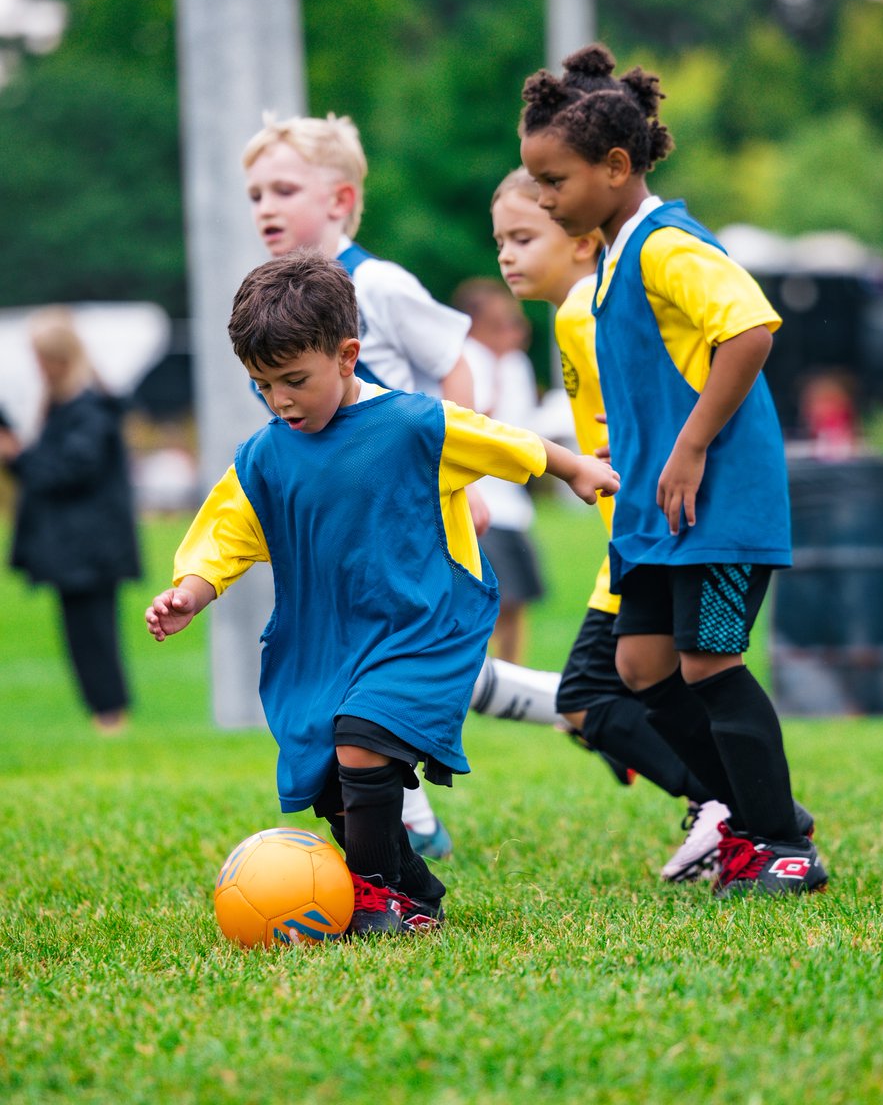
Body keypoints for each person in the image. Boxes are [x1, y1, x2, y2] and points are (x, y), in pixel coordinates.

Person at [145, 251, 619, 936]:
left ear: (347, 356)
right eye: (262, 385)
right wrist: (191, 591)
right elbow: (229, 531)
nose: (280, 400)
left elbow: (499, 441)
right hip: (323, 641)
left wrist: (574, 468)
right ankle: (411, 890)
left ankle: (371, 896)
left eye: (293, 381)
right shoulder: (265, 455)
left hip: (419, 626)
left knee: (362, 741)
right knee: (332, 786)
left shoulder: (413, 425)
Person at [518, 43, 827, 897]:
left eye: (554, 182)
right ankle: (756, 815)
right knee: (641, 668)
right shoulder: (614, 257)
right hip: (657, 515)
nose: (543, 200)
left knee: (709, 665)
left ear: (616, 167)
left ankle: (779, 844)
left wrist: (689, 445)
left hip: (718, 504)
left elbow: (750, 332)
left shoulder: (666, 244)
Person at [241, 112, 483, 860]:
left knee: (392, 668)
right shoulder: (277, 305)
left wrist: (461, 474)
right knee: (346, 674)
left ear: (341, 201)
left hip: (404, 527)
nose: (266, 209)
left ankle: (571, 710)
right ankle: (400, 815)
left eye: (284, 188)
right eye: (254, 195)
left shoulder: (377, 284)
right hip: (340, 544)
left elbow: (456, 364)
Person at [492, 167, 729, 882]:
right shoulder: (572, 315)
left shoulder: (588, 314)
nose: (506, 254)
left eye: (525, 236)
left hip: (647, 537)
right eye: (500, 239)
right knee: (626, 689)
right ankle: (729, 804)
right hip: (632, 537)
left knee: (590, 696)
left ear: (582, 239)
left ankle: (723, 804)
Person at [0, 308, 140, 733]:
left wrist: (19, 456)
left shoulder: (89, 409)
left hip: (91, 548)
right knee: (82, 637)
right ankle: (105, 716)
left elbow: (69, 472)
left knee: (94, 637)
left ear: (59, 359)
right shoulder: (71, 407)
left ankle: (111, 718)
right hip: (78, 547)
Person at [452, 277, 545, 664]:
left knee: (517, 599)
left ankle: (511, 675)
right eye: (504, 323)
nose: (517, 332)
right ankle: (481, 674)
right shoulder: (469, 358)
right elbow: (475, 419)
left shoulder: (512, 363)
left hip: (511, 501)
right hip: (482, 500)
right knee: (494, 597)